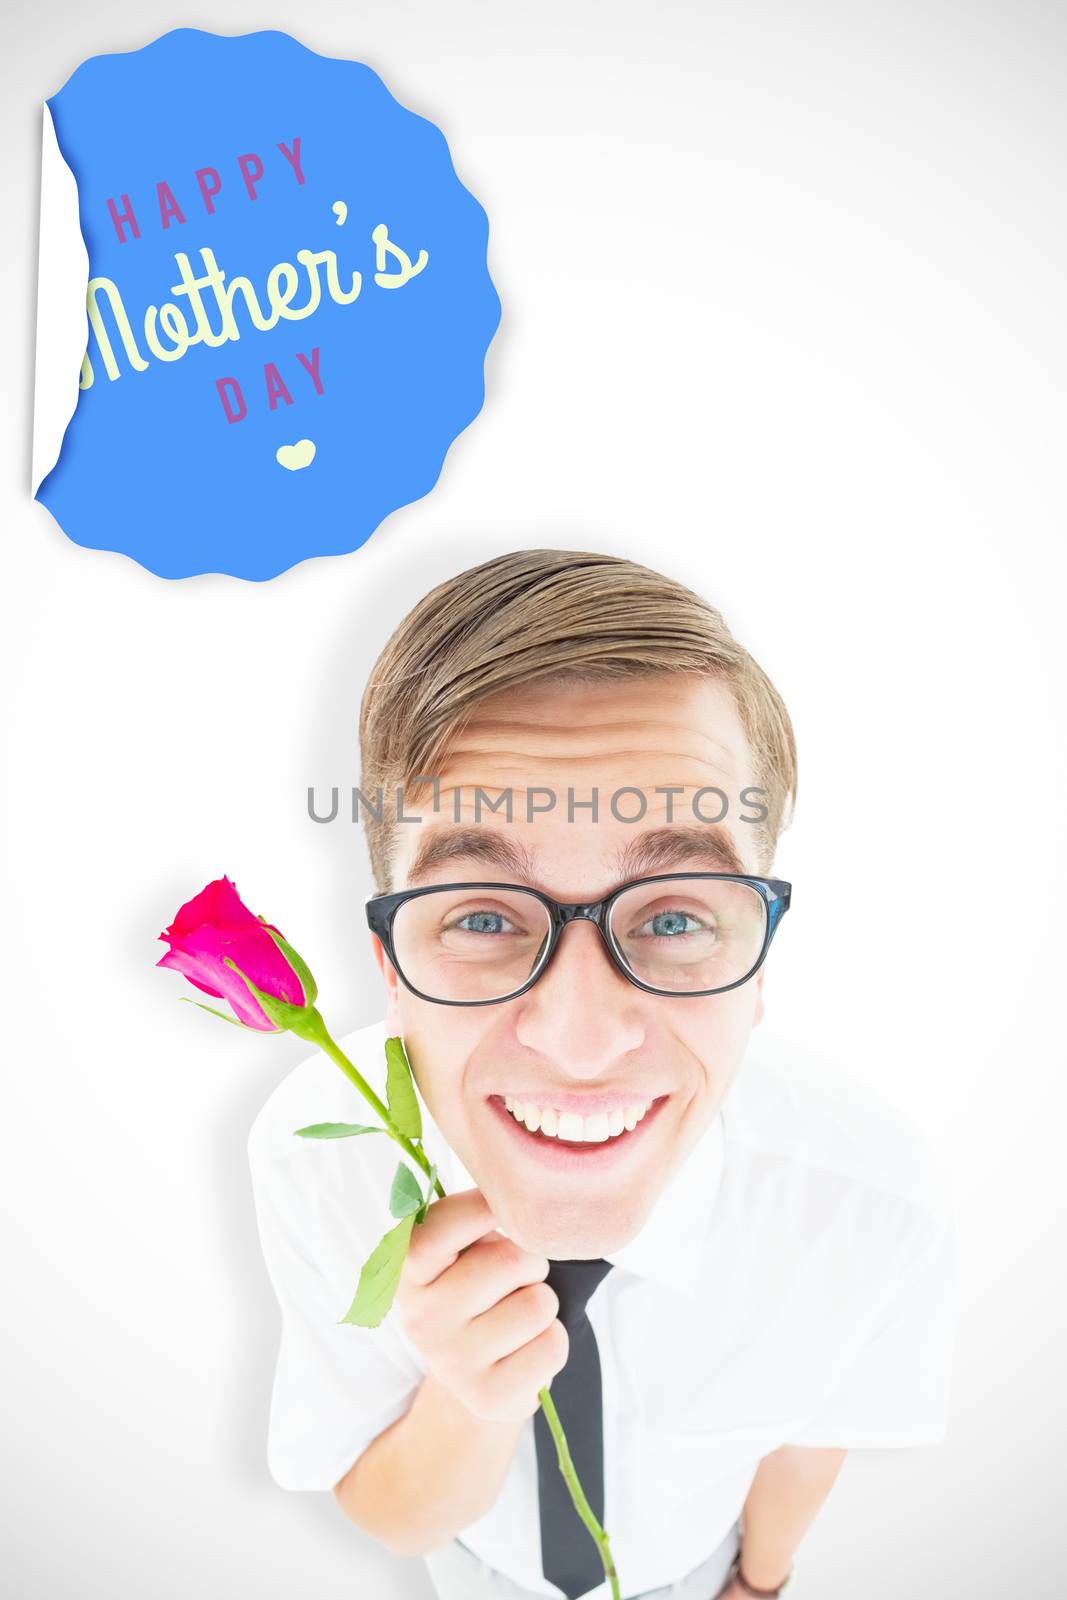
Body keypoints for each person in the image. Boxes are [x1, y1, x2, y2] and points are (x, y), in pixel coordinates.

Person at [247, 548, 957, 1600]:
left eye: (672, 916)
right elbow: (385, 1509)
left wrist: (756, 1587)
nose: (579, 1045)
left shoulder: (868, 1200)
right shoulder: (321, 1156)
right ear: (389, 970)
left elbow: (810, 1438)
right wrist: (468, 1390)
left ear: (756, 960)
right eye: (482, 917)